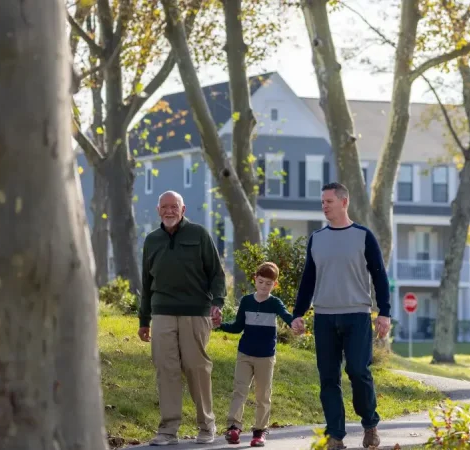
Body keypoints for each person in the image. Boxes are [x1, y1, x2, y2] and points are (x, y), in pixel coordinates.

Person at [291, 182, 392, 450]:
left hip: (357, 315)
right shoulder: (317, 239)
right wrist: (297, 313)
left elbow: (380, 276)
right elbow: (308, 280)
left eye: (329, 201)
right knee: (328, 377)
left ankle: (370, 423)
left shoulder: (363, 236)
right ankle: (335, 435)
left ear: (344, 202)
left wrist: (385, 312)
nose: (324, 206)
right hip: (324, 317)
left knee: (358, 371)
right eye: (322, 202)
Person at [138, 190, 226, 446]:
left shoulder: (199, 234)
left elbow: (217, 274)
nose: (169, 211)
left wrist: (217, 303)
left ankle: (206, 426)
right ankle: (168, 430)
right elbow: (146, 283)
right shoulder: (151, 240)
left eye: (174, 206)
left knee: (196, 369)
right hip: (161, 313)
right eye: (164, 207)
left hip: (195, 313)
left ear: (183, 209)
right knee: (166, 370)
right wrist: (144, 320)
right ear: (158, 210)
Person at [218, 261, 294, 447]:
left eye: (268, 284)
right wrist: (219, 325)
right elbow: (237, 327)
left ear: (274, 284)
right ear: (255, 280)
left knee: (263, 394)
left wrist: (296, 323)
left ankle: (259, 431)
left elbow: (286, 315)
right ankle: (233, 428)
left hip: (266, 357)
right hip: (245, 354)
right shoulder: (246, 301)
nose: (263, 287)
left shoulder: (275, 303)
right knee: (240, 390)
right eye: (261, 282)